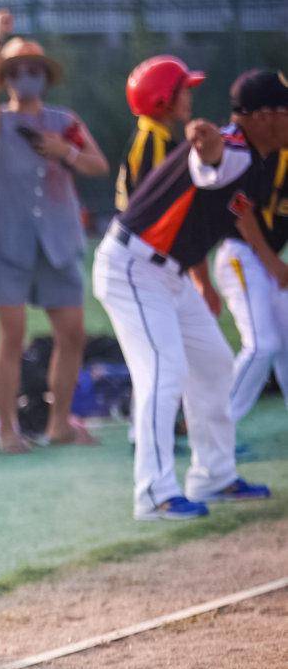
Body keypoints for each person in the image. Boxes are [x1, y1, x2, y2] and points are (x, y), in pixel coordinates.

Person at [91, 69, 288, 520]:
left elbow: (227, 207)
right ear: (266, 117)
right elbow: (210, 166)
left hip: (169, 274)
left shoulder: (255, 162)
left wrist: (201, 280)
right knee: (164, 369)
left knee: (216, 364)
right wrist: (209, 150)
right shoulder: (233, 147)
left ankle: (214, 476)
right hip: (133, 269)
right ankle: (154, 493)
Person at [0, 9, 110, 453]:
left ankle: (59, 425)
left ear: (45, 77)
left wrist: (64, 151)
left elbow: (97, 164)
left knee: (72, 333)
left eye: (33, 70)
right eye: (15, 71)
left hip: (58, 240)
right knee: (11, 335)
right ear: (5, 79)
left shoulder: (64, 120)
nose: (25, 77)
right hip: (8, 243)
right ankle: (9, 430)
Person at [209, 124, 288, 423]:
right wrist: (273, 263)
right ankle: (215, 429)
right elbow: (240, 211)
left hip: (268, 260)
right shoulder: (256, 156)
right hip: (242, 255)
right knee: (261, 345)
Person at [117, 55, 205, 211]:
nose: (189, 97)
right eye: (185, 91)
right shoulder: (153, 140)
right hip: (144, 233)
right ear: (163, 98)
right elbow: (156, 203)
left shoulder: (156, 134)